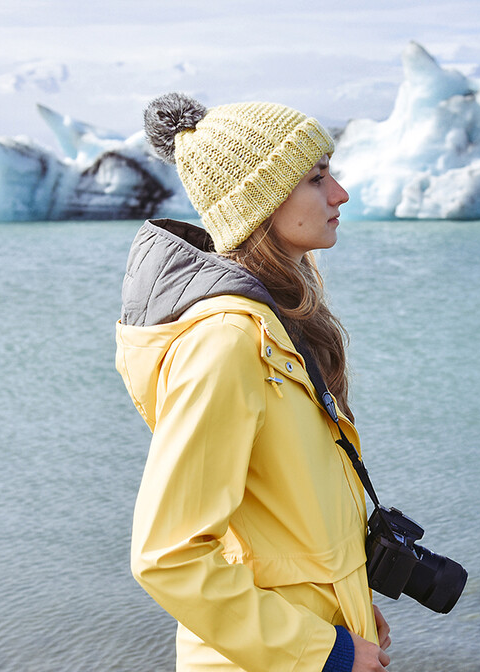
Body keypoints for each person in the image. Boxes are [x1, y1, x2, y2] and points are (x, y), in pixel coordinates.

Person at [115, 92, 391, 671]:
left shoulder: (274, 324)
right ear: (260, 199)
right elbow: (168, 556)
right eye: (317, 178)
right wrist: (323, 652)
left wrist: (351, 606)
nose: (340, 193)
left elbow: (284, 517)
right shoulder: (227, 342)